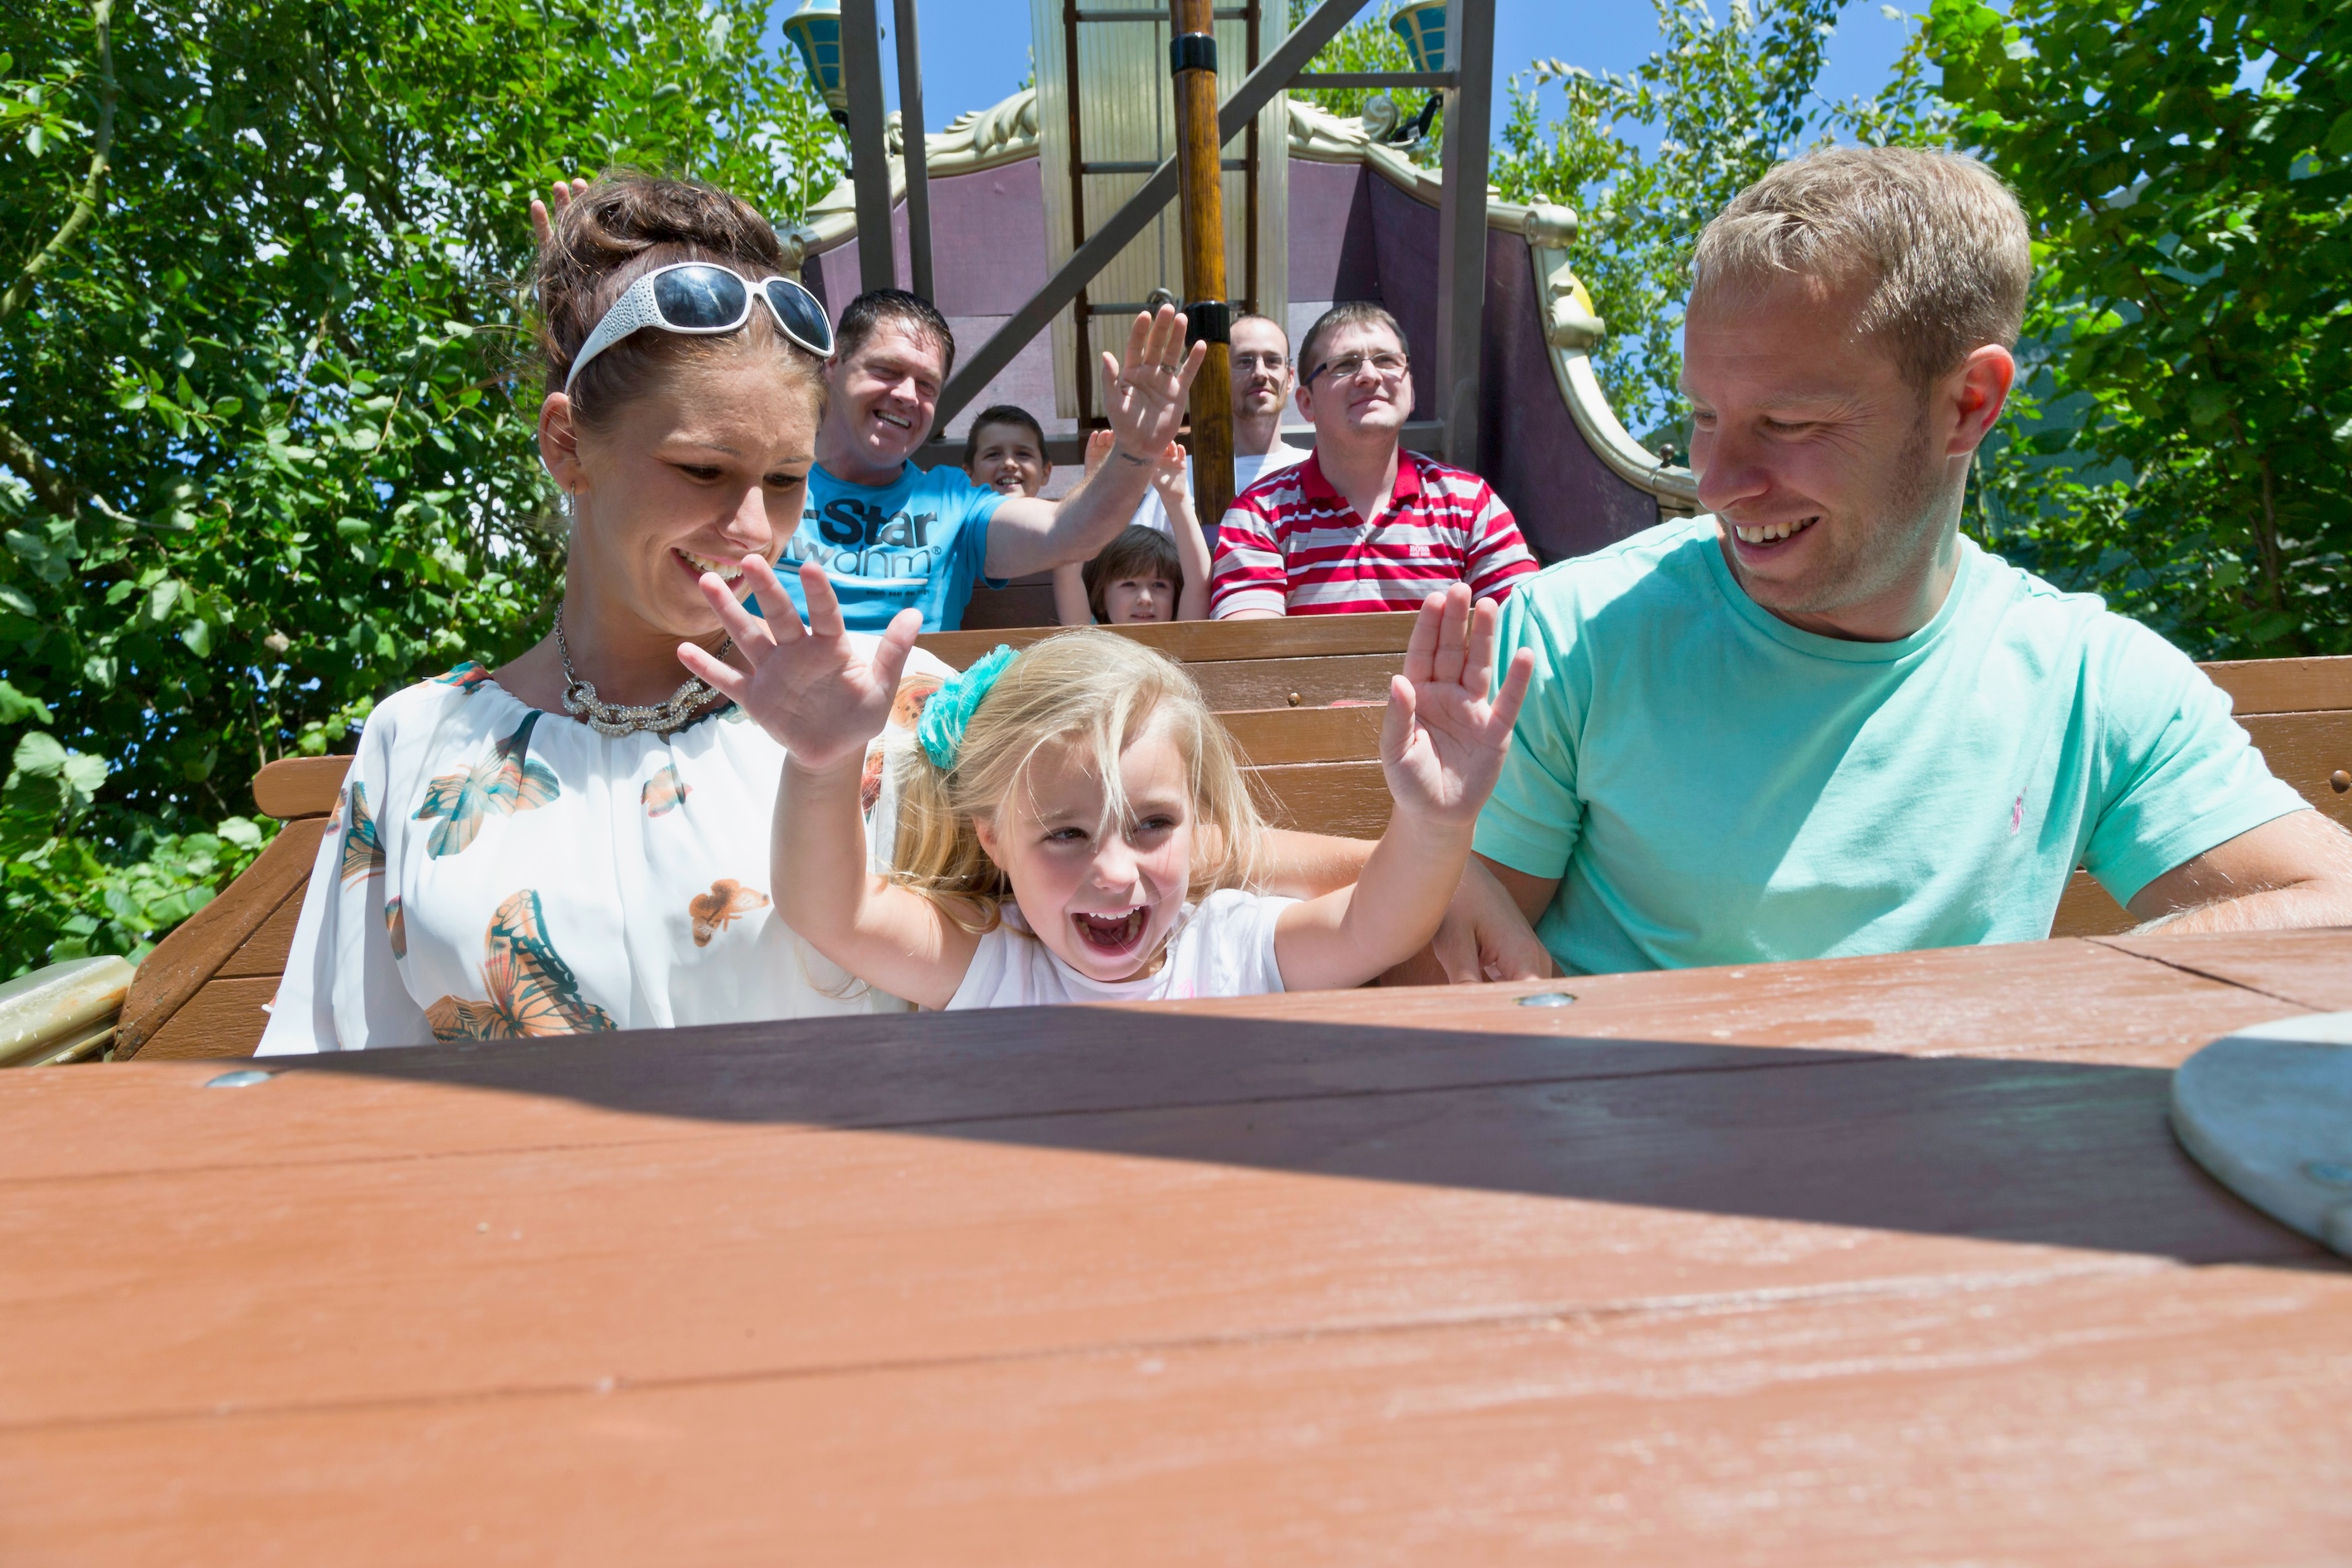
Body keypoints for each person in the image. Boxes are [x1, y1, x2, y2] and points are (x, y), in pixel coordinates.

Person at [1470, 146, 2352, 976]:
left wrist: (2031, 999)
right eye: (1705, 415)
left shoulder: (2086, 679)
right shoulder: (1571, 637)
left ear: (1968, 404)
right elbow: (1445, 961)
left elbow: (2331, 904)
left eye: (1787, 423)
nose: (1717, 483)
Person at [261, 174, 962, 1049]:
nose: (753, 528)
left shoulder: (902, 713)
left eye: (786, 478)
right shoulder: (416, 742)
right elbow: (336, 1066)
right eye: (702, 470)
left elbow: (1054, 985)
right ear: (567, 445)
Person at [679, 563, 1535, 1008]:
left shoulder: (1228, 946)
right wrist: (822, 764)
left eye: (1152, 824)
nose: (1116, 872)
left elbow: (1375, 925)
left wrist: (1433, 821)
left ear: (1197, 821)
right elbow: (834, 913)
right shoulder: (999, 970)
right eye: (1065, 834)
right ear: (992, 839)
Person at [783, 288, 1204, 632]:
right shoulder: (767, 480)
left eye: (927, 385)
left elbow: (1069, 532)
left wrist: (1135, 451)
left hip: (908, 707)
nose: (908, 395)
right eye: (887, 370)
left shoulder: (953, 503)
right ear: (833, 366)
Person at [1210, 302, 1538, 618]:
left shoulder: (1471, 504)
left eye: (1387, 360)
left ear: (1411, 391)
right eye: (1344, 364)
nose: (1370, 375)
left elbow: (1527, 629)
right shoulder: (1259, 515)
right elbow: (1253, 651)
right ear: (1307, 403)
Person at [1130, 311, 1310, 539]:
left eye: (1272, 361)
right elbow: (1132, 556)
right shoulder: (1178, 476)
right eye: (1245, 361)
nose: (1260, 373)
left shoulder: (1318, 469)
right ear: (1222, 376)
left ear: (1290, 378)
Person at [1049, 431, 1210, 625]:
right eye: (1129, 584)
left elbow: (1199, 584)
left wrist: (1176, 499)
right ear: (1102, 598)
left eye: (1159, 585)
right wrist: (1092, 488)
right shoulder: (1088, 636)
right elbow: (1066, 574)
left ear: (1175, 598)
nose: (1145, 598)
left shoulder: (1183, 635)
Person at [961, 402, 1054, 500]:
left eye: (1023, 454)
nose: (1009, 463)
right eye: (993, 455)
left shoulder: (1056, 510)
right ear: (970, 475)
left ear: (1045, 472)